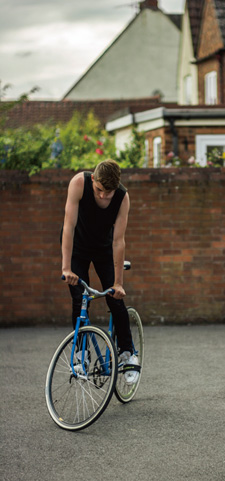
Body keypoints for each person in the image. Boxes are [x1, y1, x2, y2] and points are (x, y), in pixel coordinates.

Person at [61, 158, 139, 384]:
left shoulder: (122, 198)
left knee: (114, 299)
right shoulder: (79, 184)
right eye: (100, 190)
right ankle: (81, 354)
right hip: (77, 247)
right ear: (93, 179)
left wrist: (118, 283)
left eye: (109, 192)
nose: (104, 196)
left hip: (104, 248)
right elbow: (69, 226)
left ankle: (127, 353)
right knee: (80, 299)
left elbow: (118, 241)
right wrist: (66, 267)